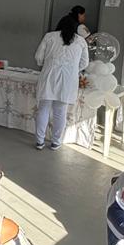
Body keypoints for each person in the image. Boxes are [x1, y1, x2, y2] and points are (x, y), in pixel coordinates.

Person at [34, 14, 89, 150]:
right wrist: (73, 69)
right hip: (68, 80)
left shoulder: (49, 36)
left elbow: (38, 58)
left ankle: (39, 141)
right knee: (60, 112)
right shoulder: (81, 41)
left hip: (49, 76)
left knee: (43, 109)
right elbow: (84, 63)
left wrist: (46, 64)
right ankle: (56, 142)